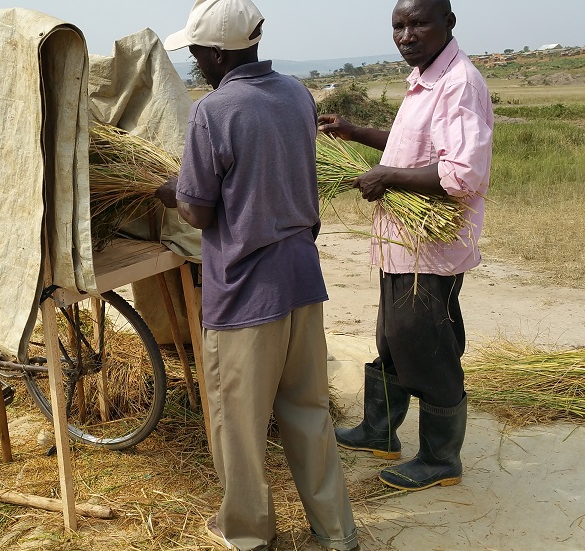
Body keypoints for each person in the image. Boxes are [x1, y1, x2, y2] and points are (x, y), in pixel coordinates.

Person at [156, 1, 359, 549]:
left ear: (219, 54)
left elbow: (199, 211)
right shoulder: (296, 93)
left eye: (198, 53)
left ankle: (247, 534)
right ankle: (336, 532)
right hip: (302, 276)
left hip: (247, 289)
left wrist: (172, 193)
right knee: (309, 409)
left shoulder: (213, 111)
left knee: (238, 424)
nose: (196, 62)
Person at [318, 0, 493, 492]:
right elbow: (410, 147)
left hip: (429, 250)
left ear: (448, 23)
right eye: (398, 25)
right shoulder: (425, 78)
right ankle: (379, 431)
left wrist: (388, 176)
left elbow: (462, 173)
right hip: (402, 244)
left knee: (428, 349)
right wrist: (356, 133)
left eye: (418, 23)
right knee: (393, 340)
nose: (406, 35)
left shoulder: (458, 83)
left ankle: (441, 459)